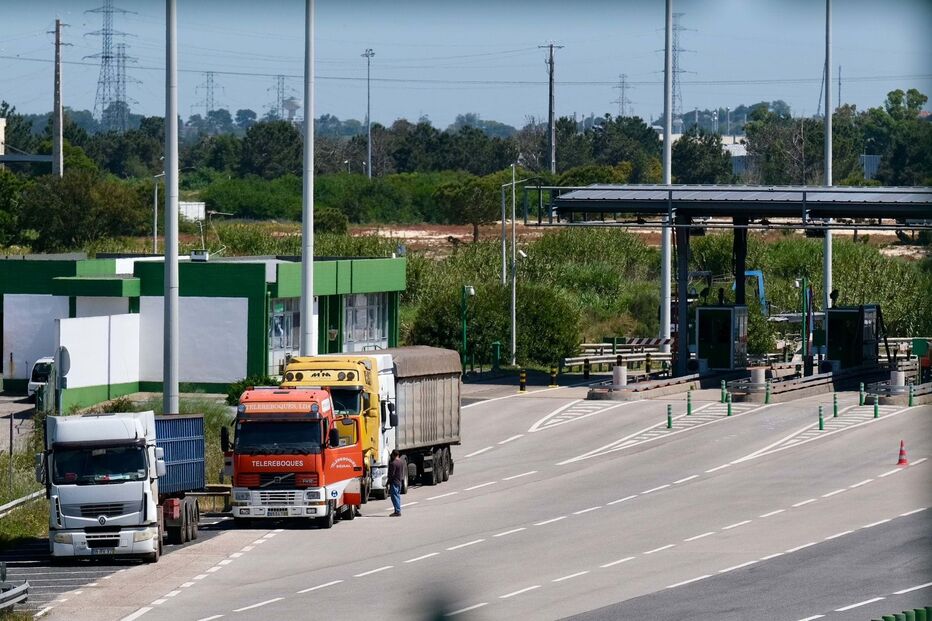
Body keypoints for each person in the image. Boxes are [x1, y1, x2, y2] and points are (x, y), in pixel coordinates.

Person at [388, 450, 404, 517]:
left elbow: (392, 474)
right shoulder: (401, 462)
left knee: (394, 497)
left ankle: (397, 511)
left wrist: (388, 481)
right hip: (399, 481)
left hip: (394, 482)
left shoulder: (393, 463)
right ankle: (397, 510)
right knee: (397, 496)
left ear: (394, 455)